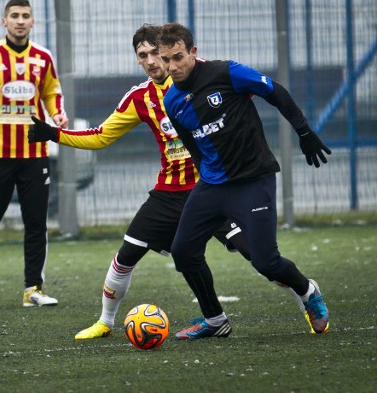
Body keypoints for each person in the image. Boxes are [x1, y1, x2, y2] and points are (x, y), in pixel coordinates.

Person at [27, 24, 303, 340]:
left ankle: (304, 294)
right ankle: (106, 322)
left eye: (156, 53)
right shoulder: (140, 97)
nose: (151, 61)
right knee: (127, 255)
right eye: (142, 55)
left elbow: (249, 93)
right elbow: (102, 136)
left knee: (259, 257)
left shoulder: (200, 77)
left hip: (216, 187)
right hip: (170, 192)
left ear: (171, 53)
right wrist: (54, 134)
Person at [158, 22, 331, 339]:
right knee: (183, 252)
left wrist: (304, 133)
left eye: (177, 57)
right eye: (165, 60)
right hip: (212, 186)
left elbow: (275, 91)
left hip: (253, 180)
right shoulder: (171, 101)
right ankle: (214, 320)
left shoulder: (226, 73)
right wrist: (205, 183)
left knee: (267, 263)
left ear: (193, 52)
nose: (171, 66)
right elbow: (193, 145)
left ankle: (307, 291)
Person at [0, 0, 67, 309]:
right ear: (4, 21)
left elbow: (51, 91)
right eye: (14, 16)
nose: (20, 21)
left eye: (26, 16)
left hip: (34, 155)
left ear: (33, 22)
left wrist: (57, 114)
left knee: (36, 222)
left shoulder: (43, 57)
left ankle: (33, 288)